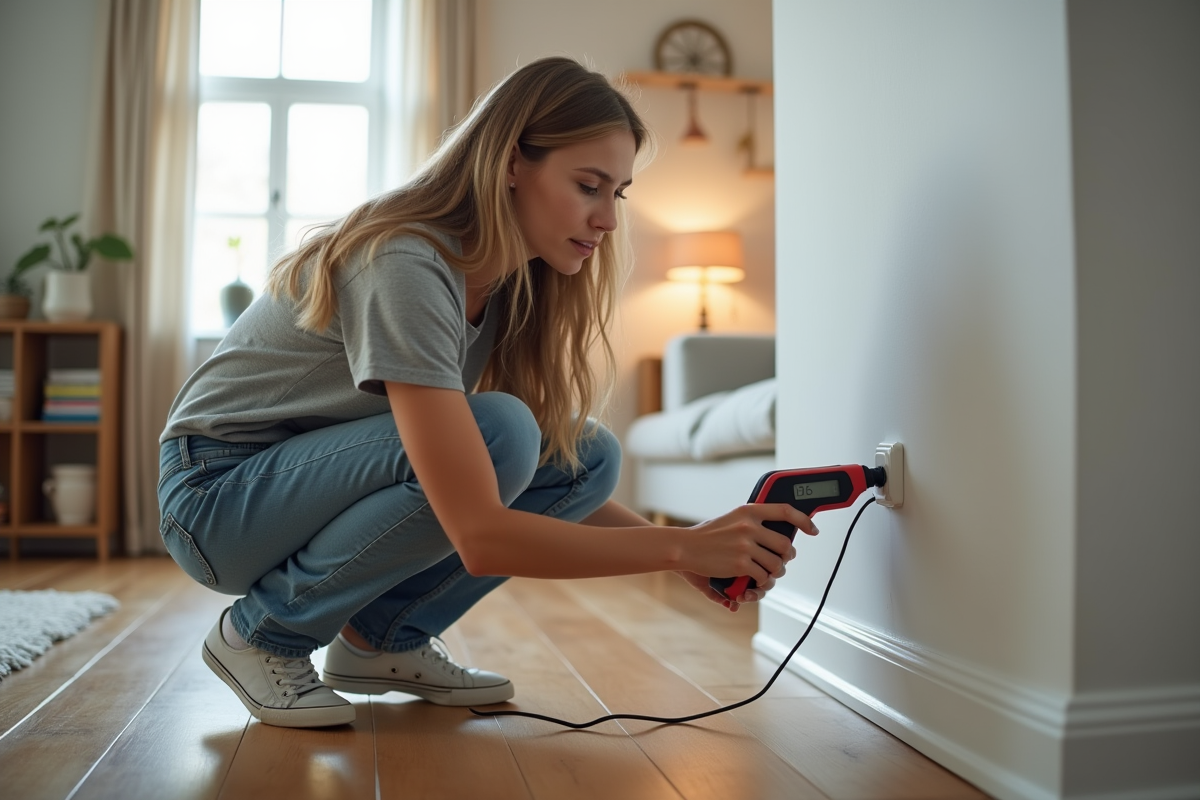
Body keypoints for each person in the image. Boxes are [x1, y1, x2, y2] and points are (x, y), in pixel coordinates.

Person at [157, 56, 814, 729]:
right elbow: (479, 533)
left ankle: (383, 639)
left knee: (584, 455)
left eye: (617, 193)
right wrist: (677, 549)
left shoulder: (504, 281)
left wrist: (687, 550)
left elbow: (518, 483)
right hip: (217, 499)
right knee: (501, 428)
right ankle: (262, 635)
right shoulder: (406, 260)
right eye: (588, 185)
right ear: (511, 163)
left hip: (294, 485)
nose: (608, 220)